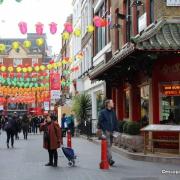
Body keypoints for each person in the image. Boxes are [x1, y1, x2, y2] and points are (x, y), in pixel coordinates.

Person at [97, 99, 118, 166]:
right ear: (108, 104)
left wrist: (116, 130)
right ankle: (110, 160)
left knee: (110, 145)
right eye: (112, 102)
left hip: (112, 131)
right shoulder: (102, 112)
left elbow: (115, 121)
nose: (113, 103)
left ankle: (107, 158)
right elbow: (100, 121)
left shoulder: (113, 112)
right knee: (108, 145)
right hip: (106, 131)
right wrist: (100, 129)